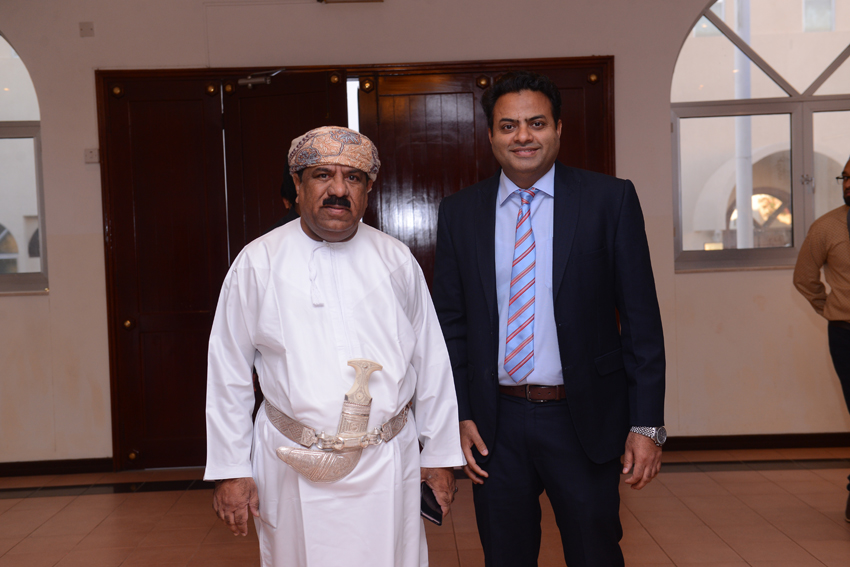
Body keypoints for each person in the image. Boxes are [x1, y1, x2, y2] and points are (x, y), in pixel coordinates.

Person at [432, 71, 666, 566]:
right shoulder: (460, 213)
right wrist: (459, 414)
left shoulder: (610, 200)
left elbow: (642, 320)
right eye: (508, 126)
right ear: (491, 135)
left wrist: (647, 426)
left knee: (594, 554)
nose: (523, 136)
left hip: (583, 420)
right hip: (495, 425)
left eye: (536, 123)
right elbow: (451, 326)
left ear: (558, 128)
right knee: (506, 556)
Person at [205, 126, 465, 566]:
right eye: (323, 175)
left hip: (388, 465)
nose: (339, 190)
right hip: (294, 466)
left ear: (368, 190)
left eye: (354, 178)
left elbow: (432, 363)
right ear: (298, 184)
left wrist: (439, 456)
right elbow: (227, 373)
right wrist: (231, 470)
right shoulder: (257, 262)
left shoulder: (396, 260)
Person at [793, 157, 850, 523]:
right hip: (846, 334)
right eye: (845, 177)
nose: (848, 184)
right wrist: (830, 308)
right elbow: (804, 277)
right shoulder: (827, 227)